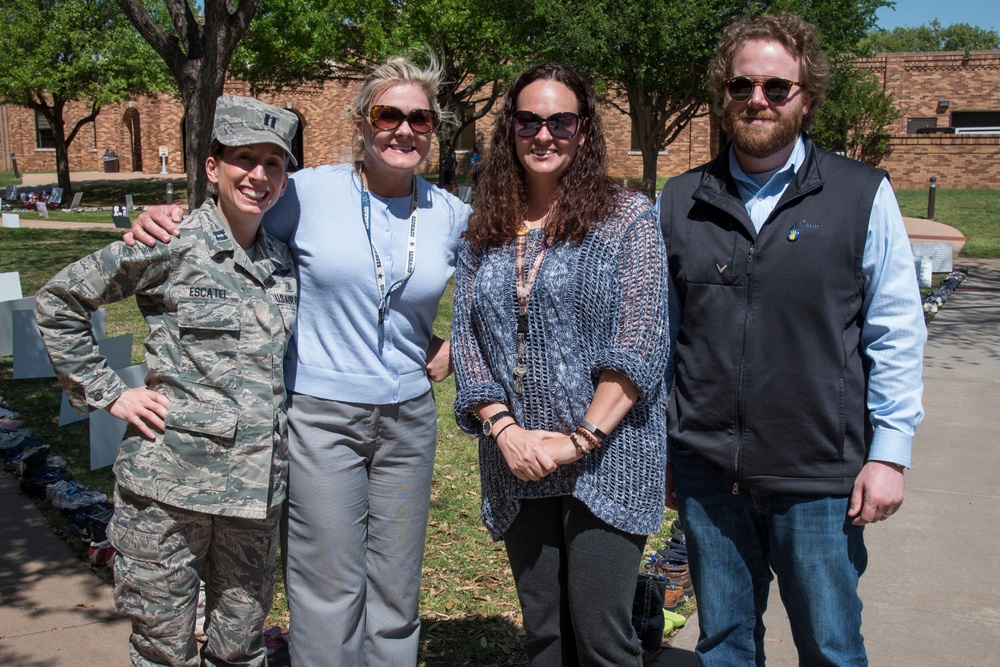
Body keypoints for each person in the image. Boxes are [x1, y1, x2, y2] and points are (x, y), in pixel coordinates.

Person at [128, 56, 471, 665]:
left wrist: (459, 342)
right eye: (387, 114)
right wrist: (158, 219)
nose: (403, 129)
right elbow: (227, 222)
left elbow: (512, 285)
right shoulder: (305, 193)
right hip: (320, 418)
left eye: (419, 118)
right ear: (362, 124)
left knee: (397, 586)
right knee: (328, 586)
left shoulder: (449, 214)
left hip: (408, 419)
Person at [657, 12, 926, 665]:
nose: (758, 99)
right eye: (741, 85)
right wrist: (664, 446)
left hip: (820, 474)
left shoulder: (861, 195)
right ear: (722, 93)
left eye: (777, 87)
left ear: (806, 98)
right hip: (707, 469)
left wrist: (889, 453)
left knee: (831, 645)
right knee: (724, 642)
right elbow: (661, 339)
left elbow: (895, 329)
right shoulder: (680, 199)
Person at [35, 95, 299, 666]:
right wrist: (110, 392)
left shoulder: (283, 262)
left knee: (240, 650)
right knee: (163, 652)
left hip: (254, 502)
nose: (257, 175)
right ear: (212, 166)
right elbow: (59, 302)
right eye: (243, 159)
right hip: (167, 492)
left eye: (273, 163)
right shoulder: (170, 242)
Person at [451, 63, 669, 665]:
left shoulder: (628, 220)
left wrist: (579, 441)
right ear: (510, 129)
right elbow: (467, 342)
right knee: (545, 634)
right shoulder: (482, 230)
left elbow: (641, 342)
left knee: (603, 637)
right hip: (517, 460)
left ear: (584, 129)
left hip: (609, 460)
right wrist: (506, 431)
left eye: (560, 121)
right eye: (528, 120)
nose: (543, 135)